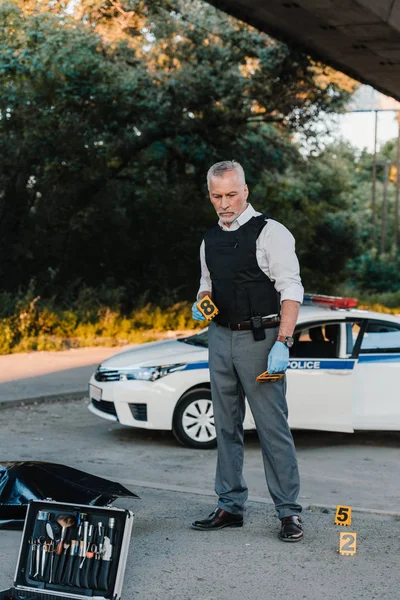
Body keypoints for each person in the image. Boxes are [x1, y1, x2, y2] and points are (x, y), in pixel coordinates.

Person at [191, 160, 304, 542]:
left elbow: (291, 289)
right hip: (220, 337)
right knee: (225, 427)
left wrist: (283, 342)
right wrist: (202, 301)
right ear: (210, 196)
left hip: (262, 339)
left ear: (246, 191)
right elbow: (206, 284)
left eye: (231, 194)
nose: (224, 203)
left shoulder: (271, 233)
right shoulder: (209, 239)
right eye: (216, 196)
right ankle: (230, 505)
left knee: (273, 429)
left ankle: (289, 512)